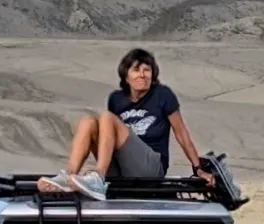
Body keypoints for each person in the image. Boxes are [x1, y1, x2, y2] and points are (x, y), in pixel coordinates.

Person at [45, 48, 207, 196]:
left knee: (107, 117)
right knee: (88, 121)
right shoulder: (116, 99)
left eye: (147, 70)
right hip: (122, 170)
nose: (142, 75)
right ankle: (68, 176)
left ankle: (98, 178)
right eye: (136, 70)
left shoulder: (162, 95)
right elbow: (108, 137)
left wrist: (198, 168)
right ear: (126, 76)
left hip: (150, 169)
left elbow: (181, 134)